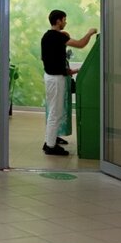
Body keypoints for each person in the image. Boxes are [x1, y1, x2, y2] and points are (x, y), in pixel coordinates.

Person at [41, 9, 96, 156]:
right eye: (64, 20)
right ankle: (50, 146)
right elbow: (81, 44)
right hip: (56, 80)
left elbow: (51, 59)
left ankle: (50, 140)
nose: (65, 22)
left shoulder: (46, 36)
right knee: (55, 113)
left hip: (50, 77)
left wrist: (70, 71)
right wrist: (90, 33)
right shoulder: (58, 37)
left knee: (54, 111)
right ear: (58, 21)